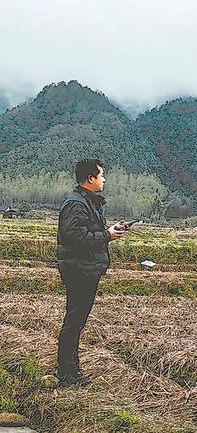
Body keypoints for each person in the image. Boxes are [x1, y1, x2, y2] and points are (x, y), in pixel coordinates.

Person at [55, 159, 126, 387]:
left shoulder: (86, 202)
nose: (104, 179)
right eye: (101, 175)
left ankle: (71, 370)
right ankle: (67, 374)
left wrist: (109, 231)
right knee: (74, 321)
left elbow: (87, 232)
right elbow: (74, 237)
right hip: (80, 270)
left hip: (85, 268)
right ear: (90, 178)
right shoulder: (75, 204)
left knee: (76, 321)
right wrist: (107, 235)